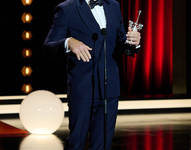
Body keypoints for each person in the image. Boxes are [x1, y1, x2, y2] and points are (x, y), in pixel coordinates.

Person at [43, 0, 141, 149]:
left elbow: (120, 44)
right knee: (77, 143)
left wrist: (134, 42)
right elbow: (48, 48)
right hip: (83, 89)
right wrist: (68, 42)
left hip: (110, 89)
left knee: (103, 145)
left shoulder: (113, 5)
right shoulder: (66, 9)